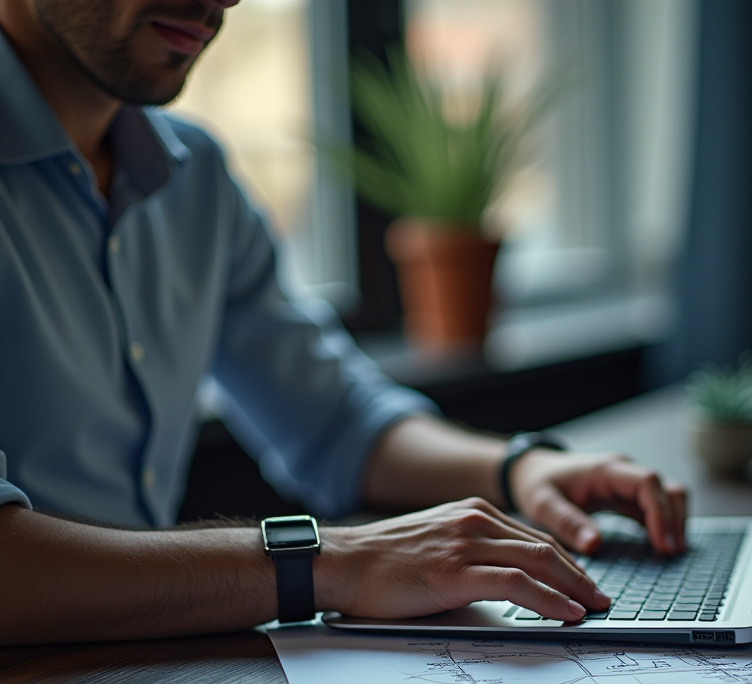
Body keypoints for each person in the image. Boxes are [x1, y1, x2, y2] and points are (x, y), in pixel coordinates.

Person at [0, 0, 686, 646]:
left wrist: (516, 470)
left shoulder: (193, 175)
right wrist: (330, 563)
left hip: (128, 683)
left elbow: (331, 418)